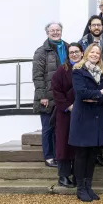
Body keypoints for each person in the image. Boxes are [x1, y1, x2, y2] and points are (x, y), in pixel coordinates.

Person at [70, 44, 103, 202]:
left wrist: (95, 96)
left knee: (92, 155)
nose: (95, 55)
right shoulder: (78, 71)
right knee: (82, 154)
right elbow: (81, 93)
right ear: (86, 53)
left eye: (98, 53)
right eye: (92, 52)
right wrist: (99, 93)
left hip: (97, 117)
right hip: (83, 118)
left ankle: (88, 186)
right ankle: (80, 188)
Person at [33, 22, 69, 168]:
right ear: (47, 32)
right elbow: (37, 75)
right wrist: (42, 96)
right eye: (52, 30)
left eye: (58, 30)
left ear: (61, 31)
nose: (55, 32)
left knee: (60, 128)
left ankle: (59, 155)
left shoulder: (67, 48)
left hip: (63, 96)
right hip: (47, 96)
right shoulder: (41, 51)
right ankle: (49, 156)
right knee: (48, 128)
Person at [51, 42, 83, 188]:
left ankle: (77, 175)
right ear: (68, 55)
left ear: (82, 53)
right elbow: (56, 92)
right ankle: (63, 176)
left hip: (82, 113)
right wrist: (69, 107)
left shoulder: (87, 69)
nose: (74, 54)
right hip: (65, 113)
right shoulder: (61, 71)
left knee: (78, 145)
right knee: (64, 144)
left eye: (77, 51)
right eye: (71, 52)